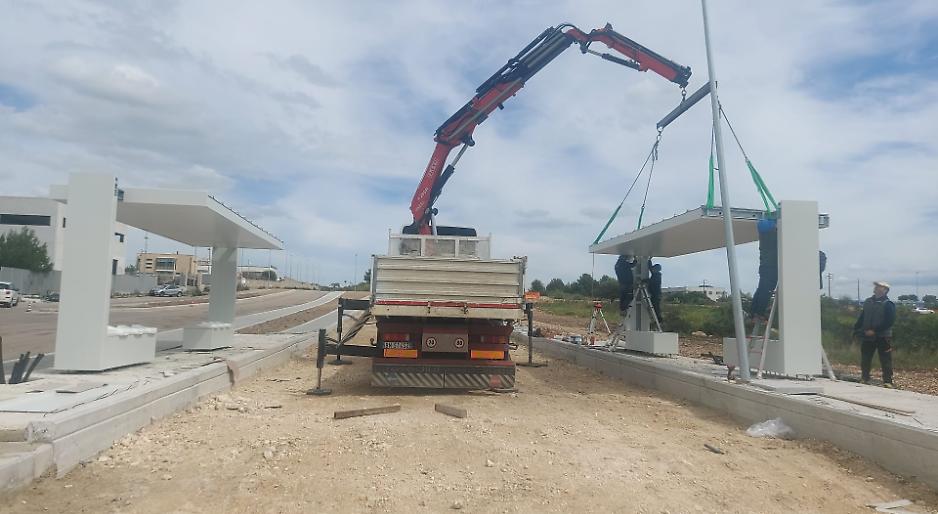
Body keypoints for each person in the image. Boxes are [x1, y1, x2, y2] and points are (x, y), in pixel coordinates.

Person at [854, 281, 896, 388]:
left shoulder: (888, 304)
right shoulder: (868, 302)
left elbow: (889, 321)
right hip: (867, 335)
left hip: (883, 336)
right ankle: (864, 378)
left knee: (885, 359)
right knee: (865, 358)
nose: (876, 288)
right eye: (876, 286)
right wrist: (857, 329)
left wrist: (875, 330)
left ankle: (888, 381)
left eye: (880, 287)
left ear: (885, 290)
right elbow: (862, 316)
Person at [750, 218, 778, 320]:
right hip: (771, 268)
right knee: (766, 290)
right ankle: (759, 313)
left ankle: (754, 312)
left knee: (762, 289)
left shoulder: (765, 237)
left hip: (766, 267)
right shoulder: (772, 237)